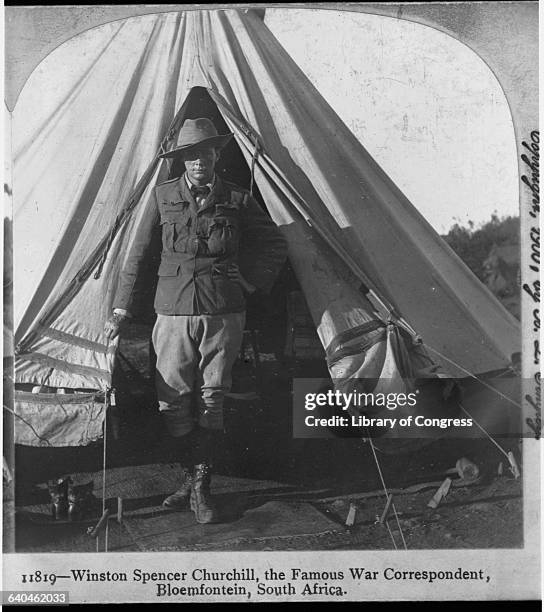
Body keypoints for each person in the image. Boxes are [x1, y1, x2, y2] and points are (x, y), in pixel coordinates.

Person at [104, 118, 287, 523]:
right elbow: (136, 256)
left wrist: (253, 280)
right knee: (173, 399)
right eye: (191, 155)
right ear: (182, 160)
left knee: (212, 398)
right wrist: (121, 309)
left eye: (205, 152)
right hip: (171, 311)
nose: (198, 161)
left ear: (216, 155)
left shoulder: (238, 199)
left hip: (223, 311)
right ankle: (190, 476)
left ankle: (202, 488)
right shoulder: (161, 196)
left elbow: (274, 241)